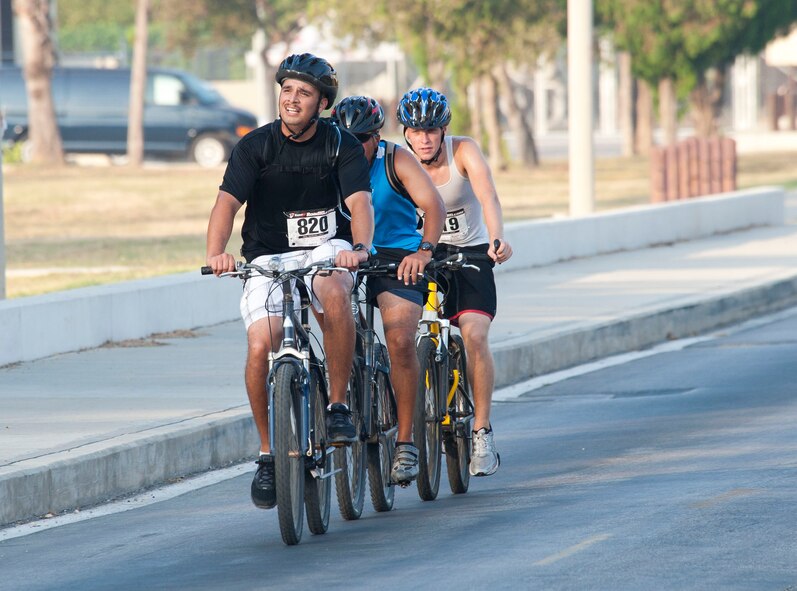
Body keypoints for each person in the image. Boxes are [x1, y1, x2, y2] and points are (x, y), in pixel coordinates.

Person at [205, 54, 374, 509]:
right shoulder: (254, 146)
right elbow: (226, 206)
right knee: (263, 343)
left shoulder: (341, 145)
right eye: (287, 90)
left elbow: (359, 203)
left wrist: (358, 248)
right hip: (267, 254)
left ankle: (337, 406)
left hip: (327, 248)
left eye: (303, 93)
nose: (292, 99)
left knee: (335, 293)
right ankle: (267, 454)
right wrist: (216, 253)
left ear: (322, 102)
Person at [397, 87, 513, 477]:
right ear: (405, 133)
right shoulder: (397, 161)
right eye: (415, 131)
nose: (424, 139)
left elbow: (488, 196)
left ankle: (481, 430)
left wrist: (498, 237)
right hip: (421, 257)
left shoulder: (464, 151)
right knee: (404, 336)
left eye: (431, 130)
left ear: (444, 131)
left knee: (475, 335)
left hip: (469, 254)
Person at [331, 95, 445, 484]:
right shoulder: (327, 157)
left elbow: (433, 205)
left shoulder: (395, 159)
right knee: (332, 323)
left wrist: (424, 252)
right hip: (346, 256)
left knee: (398, 340)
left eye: (361, 138)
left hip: (397, 256)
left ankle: (406, 443)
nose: (352, 144)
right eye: (344, 136)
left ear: (376, 137)